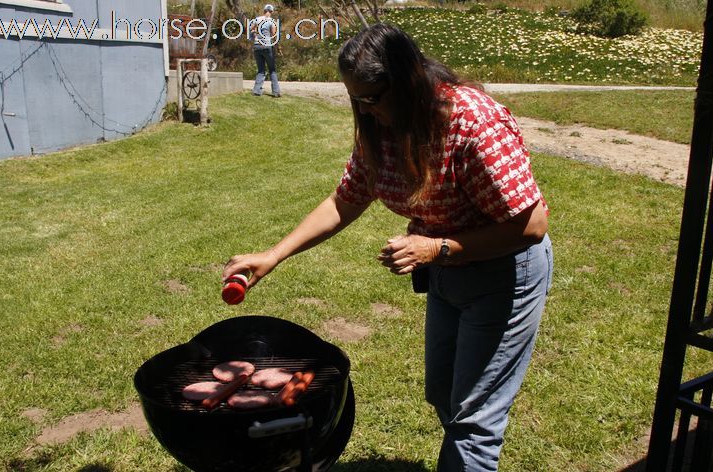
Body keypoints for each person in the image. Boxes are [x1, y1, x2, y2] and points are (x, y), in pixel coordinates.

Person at [223, 23, 553, 471]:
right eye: (354, 98)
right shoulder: (381, 126)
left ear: (409, 81)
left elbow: (530, 225)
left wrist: (435, 249)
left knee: (473, 419)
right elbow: (347, 199)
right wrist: (274, 255)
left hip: (503, 274)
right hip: (447, 275)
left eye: (372, 98)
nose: (363, 108)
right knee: (443, 393)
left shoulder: (473, 122)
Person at [250, 3, 281, 98]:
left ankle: (256, 90)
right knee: (272, 70)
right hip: (267, 46)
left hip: (257, 46)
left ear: (264, 11)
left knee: (261, 70)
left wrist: (254, 35)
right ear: (271, 12)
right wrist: (278, 48)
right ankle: (276, 92)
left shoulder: (257, 19)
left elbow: (250, 30)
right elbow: (274, 36)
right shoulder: (272, 21)